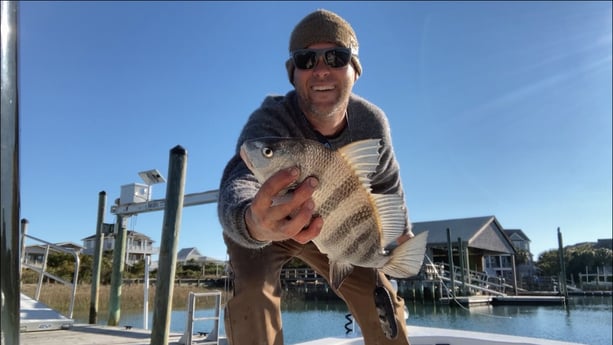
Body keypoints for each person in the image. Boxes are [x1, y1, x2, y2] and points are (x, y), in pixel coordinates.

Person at [218, 9, 414, 345]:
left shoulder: (372, 122)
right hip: (272, 226)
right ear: (293, 74)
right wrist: (252, 221)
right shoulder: (270, 119)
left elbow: (387, 185)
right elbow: (239, 180)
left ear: (355, 69)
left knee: (382, 304)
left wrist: (403, 237)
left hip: (339, 229)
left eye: (336, 57)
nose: (321, 70)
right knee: (251, 289)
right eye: (306, 60)